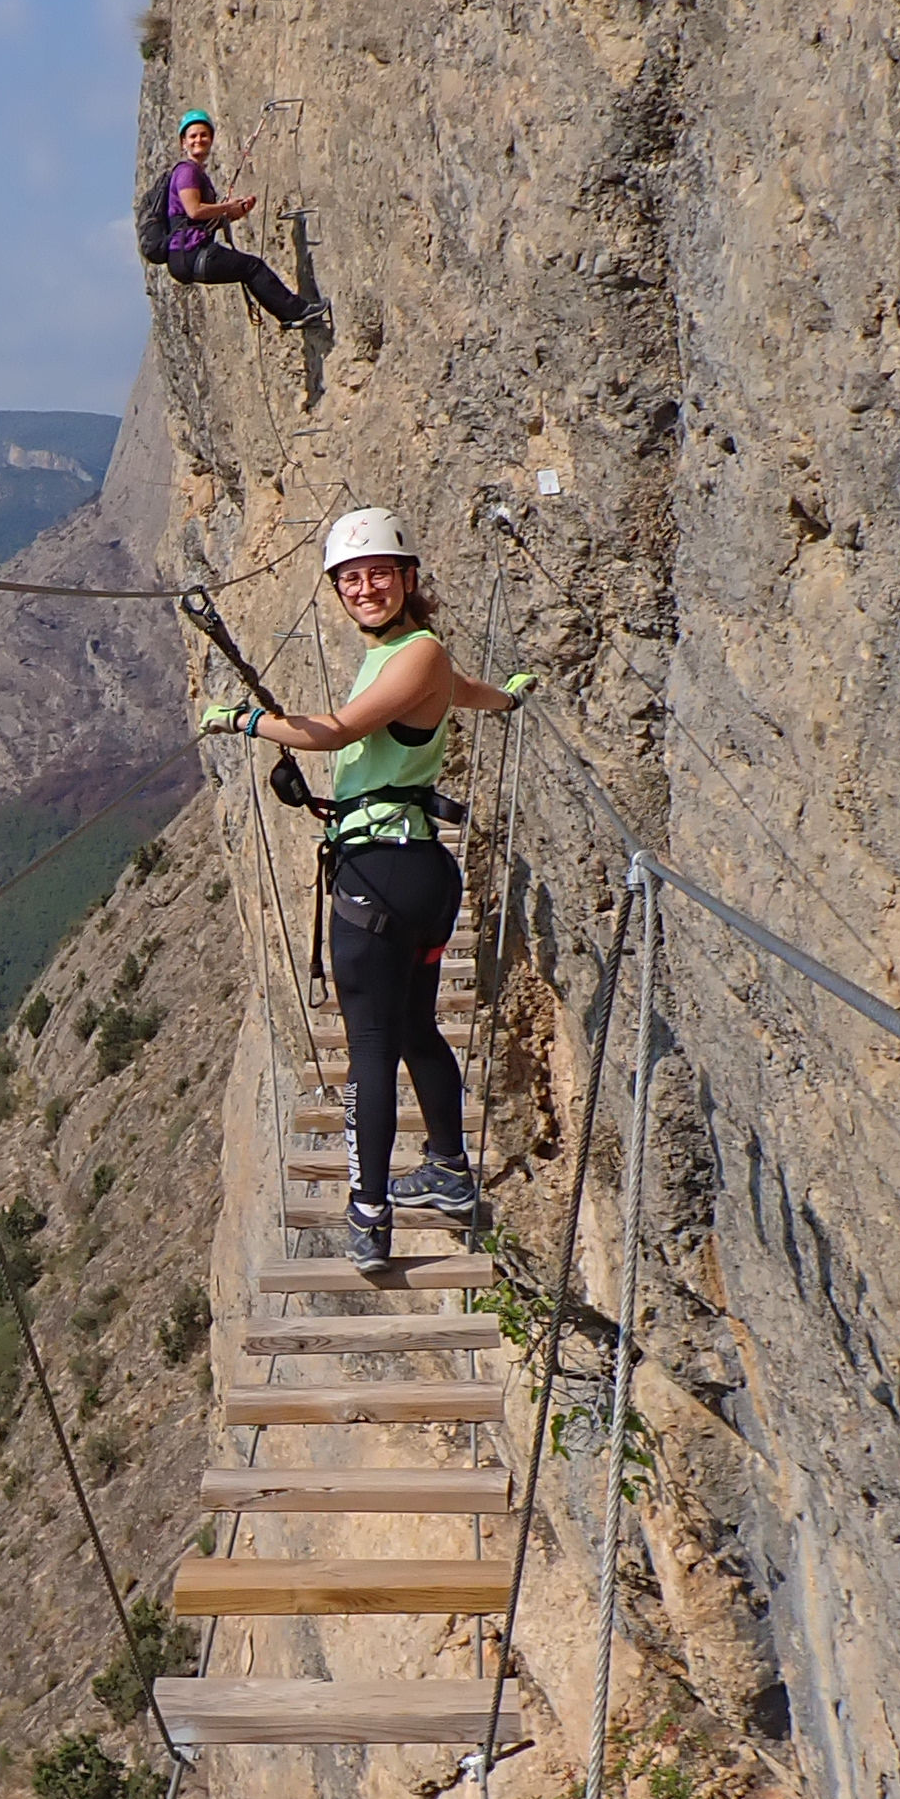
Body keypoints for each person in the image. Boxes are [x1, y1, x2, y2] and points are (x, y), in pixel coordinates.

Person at [200, 508, 529, 1266]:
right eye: (350, 579)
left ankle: (370, 1214)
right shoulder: (413, 660)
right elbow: (466, 693)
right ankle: (447, 1171)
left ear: (409, 579)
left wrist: (244, 722)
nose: (365, 588)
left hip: (378, 880)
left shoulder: (418, 652)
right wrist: (510, 700)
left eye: (379, 573)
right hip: (415, 875)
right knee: (413, 1029)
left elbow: (340, 730)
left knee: (372, 1048)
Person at [157, 108, 327, 332]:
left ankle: (291, 315)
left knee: (247, 269)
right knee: (252, 267)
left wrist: (233, 214)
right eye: (193, 136)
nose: (199, 140)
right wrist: (228, 206)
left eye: (204, 135)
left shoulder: (195, 173)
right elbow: (194, 211)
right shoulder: (187, 172)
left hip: (186, 255)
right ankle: (296, 312)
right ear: (184, 142)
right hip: (189, 252)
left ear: (211, 139)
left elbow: (197, 220)